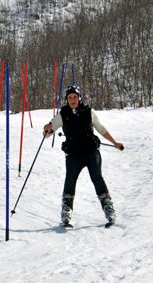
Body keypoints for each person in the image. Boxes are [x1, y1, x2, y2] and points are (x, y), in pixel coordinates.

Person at [43, 85, 124, 227]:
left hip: (91, 151)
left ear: (79, 98)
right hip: (73, 154)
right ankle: (66, 213)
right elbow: (49, 133)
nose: (72, 100)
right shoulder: (62, 114)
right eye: (69, 97)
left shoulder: (88, 112)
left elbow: (101, 129)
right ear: (66, 100)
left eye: (75, 97)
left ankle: (109, 209)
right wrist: (47, 129)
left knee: (97, 177)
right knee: (70, 179)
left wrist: (115, 142)